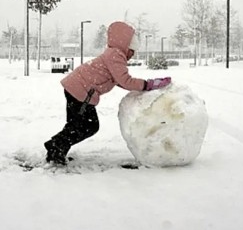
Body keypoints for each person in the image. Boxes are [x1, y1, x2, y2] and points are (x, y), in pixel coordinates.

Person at [44, 21, 171, 165]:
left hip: (77, 88)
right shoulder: (115, 55)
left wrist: (143, 85)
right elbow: (125, 81)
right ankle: (55, 147)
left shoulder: (113, 54)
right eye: (132, 50)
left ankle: (57, 149)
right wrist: (148, 84)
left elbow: (119, 80)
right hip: (80, 91)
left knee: (76, 125)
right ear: (125, 44)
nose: (133, 54)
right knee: (88, 126)